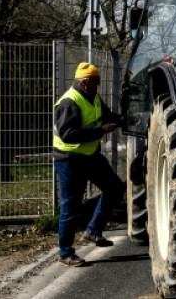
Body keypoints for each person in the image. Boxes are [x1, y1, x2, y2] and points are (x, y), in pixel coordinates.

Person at [52, 62, 126, 267]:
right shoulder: (70, 102)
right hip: (69, 159)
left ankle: (93, 231)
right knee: (71, 207)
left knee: (114, 188)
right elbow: (68, 135)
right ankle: (65, 253)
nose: (99, 85)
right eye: (96, 82)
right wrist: (101, 131)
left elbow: (107, 115)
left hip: (89, 156)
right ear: (84, 83)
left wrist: (125, 120)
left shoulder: (92, 98)